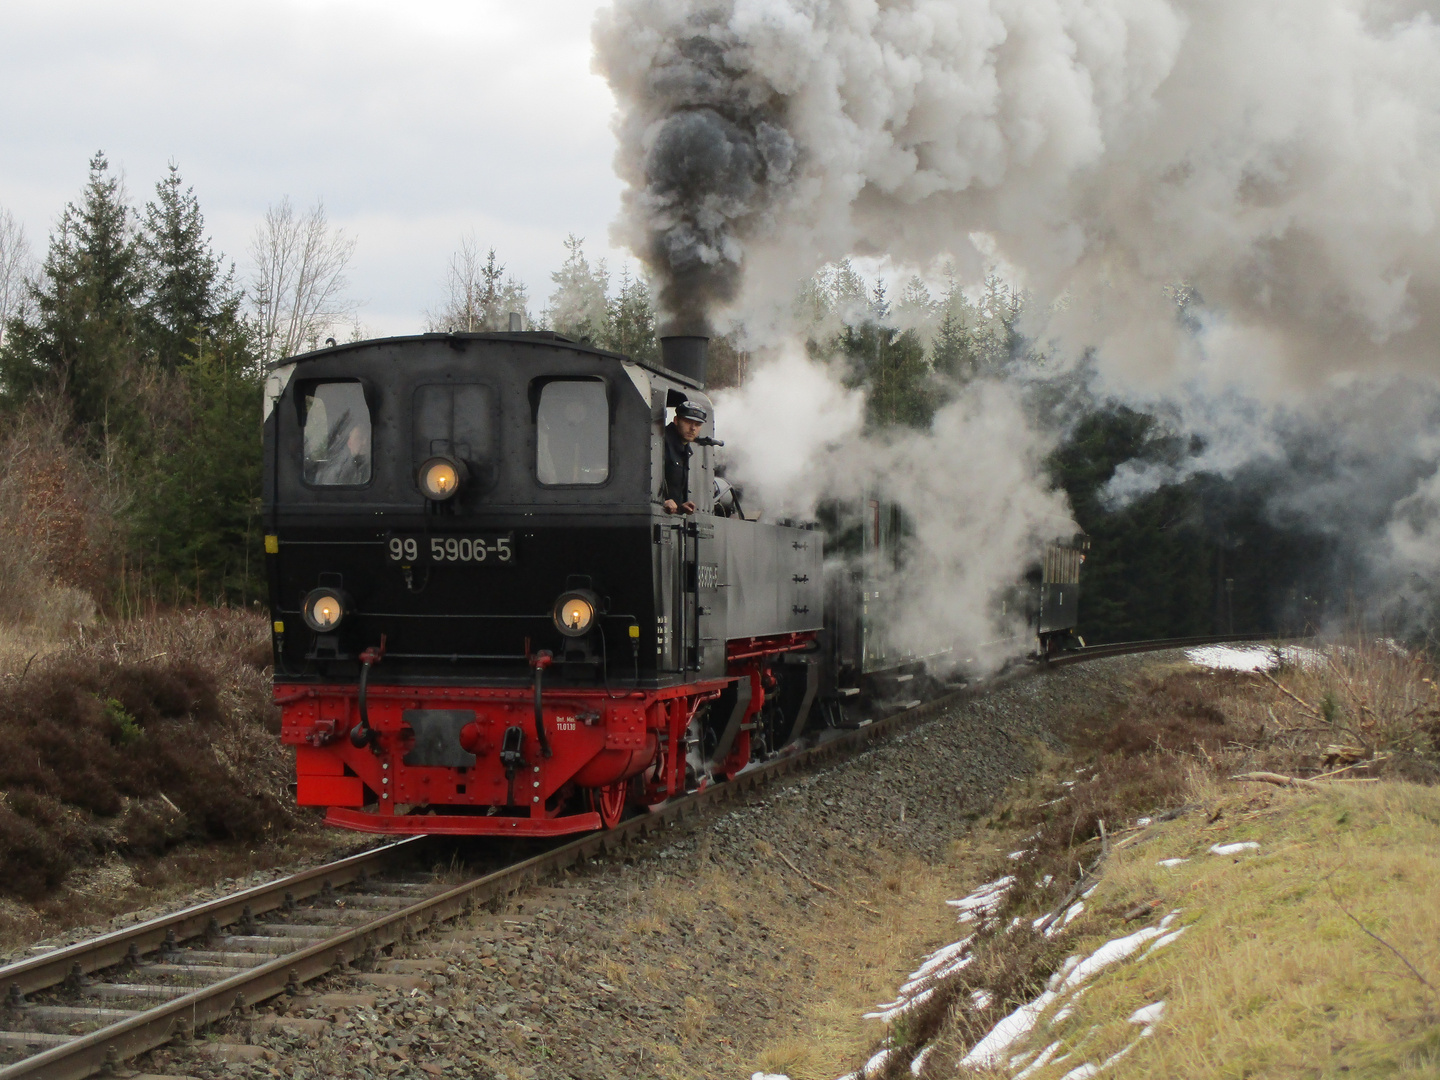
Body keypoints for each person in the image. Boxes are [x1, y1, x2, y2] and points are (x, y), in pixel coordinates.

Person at [661, 400, 706, 514]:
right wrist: (662, 502)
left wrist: (681, 506)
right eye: (688, 422)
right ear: (676, 420)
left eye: (698, 424)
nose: (693, 428)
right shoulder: (661, 443)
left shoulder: (685, 449)